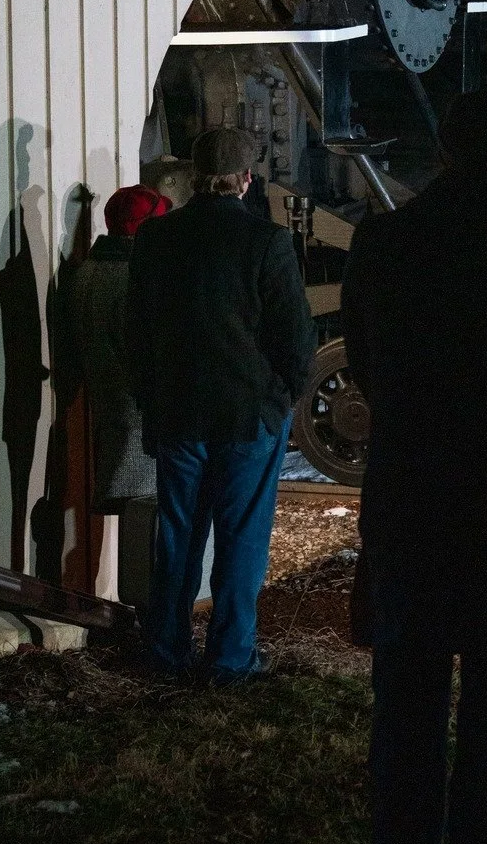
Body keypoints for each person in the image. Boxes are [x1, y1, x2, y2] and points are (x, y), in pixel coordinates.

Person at [341, 85, 487, 844]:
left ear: (442, 150)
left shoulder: (384, 244)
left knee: (409, 681)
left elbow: (365, 362)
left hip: (408, 488)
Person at [127, 128, 316, 683]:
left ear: (193, 178)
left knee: (179, 536)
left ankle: (167, 648)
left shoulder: (157, 239)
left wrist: (153, 401)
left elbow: (137, 334)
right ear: (246, 180)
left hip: (179, 413)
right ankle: (231, 657)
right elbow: (296, 340)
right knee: (241, 539)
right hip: (246, 416)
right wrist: (278, 400)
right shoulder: (266, 242)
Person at [56, 183, 171, 606]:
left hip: (107, 407)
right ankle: (141, 614)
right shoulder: (133, 279)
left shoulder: (85, 274)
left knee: (131, 517)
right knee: (145, 523)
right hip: (140, 414)